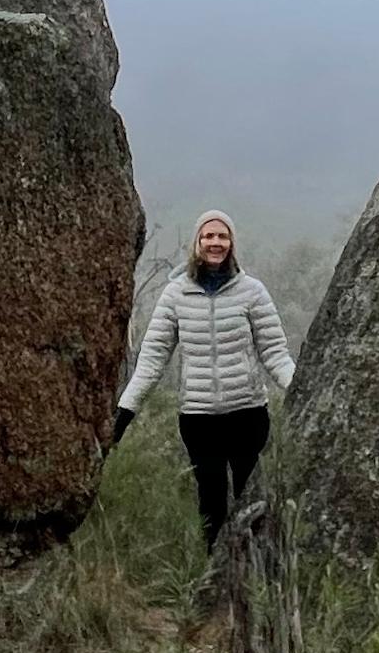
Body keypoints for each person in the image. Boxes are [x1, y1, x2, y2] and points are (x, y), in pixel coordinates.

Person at [112, 211, 298, 545]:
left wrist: (300, 390)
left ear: (232, 244)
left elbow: (274, 352)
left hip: (247, 414)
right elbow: (153, 359)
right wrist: (124, 412)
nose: (215, 243)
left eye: (222, 237)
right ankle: (215, 581)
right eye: (207, 236)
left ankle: (257, 574)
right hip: (199, 418)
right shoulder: (175, 295)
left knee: (250, 499)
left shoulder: (252, 292)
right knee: (211, 501)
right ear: (196, 244)